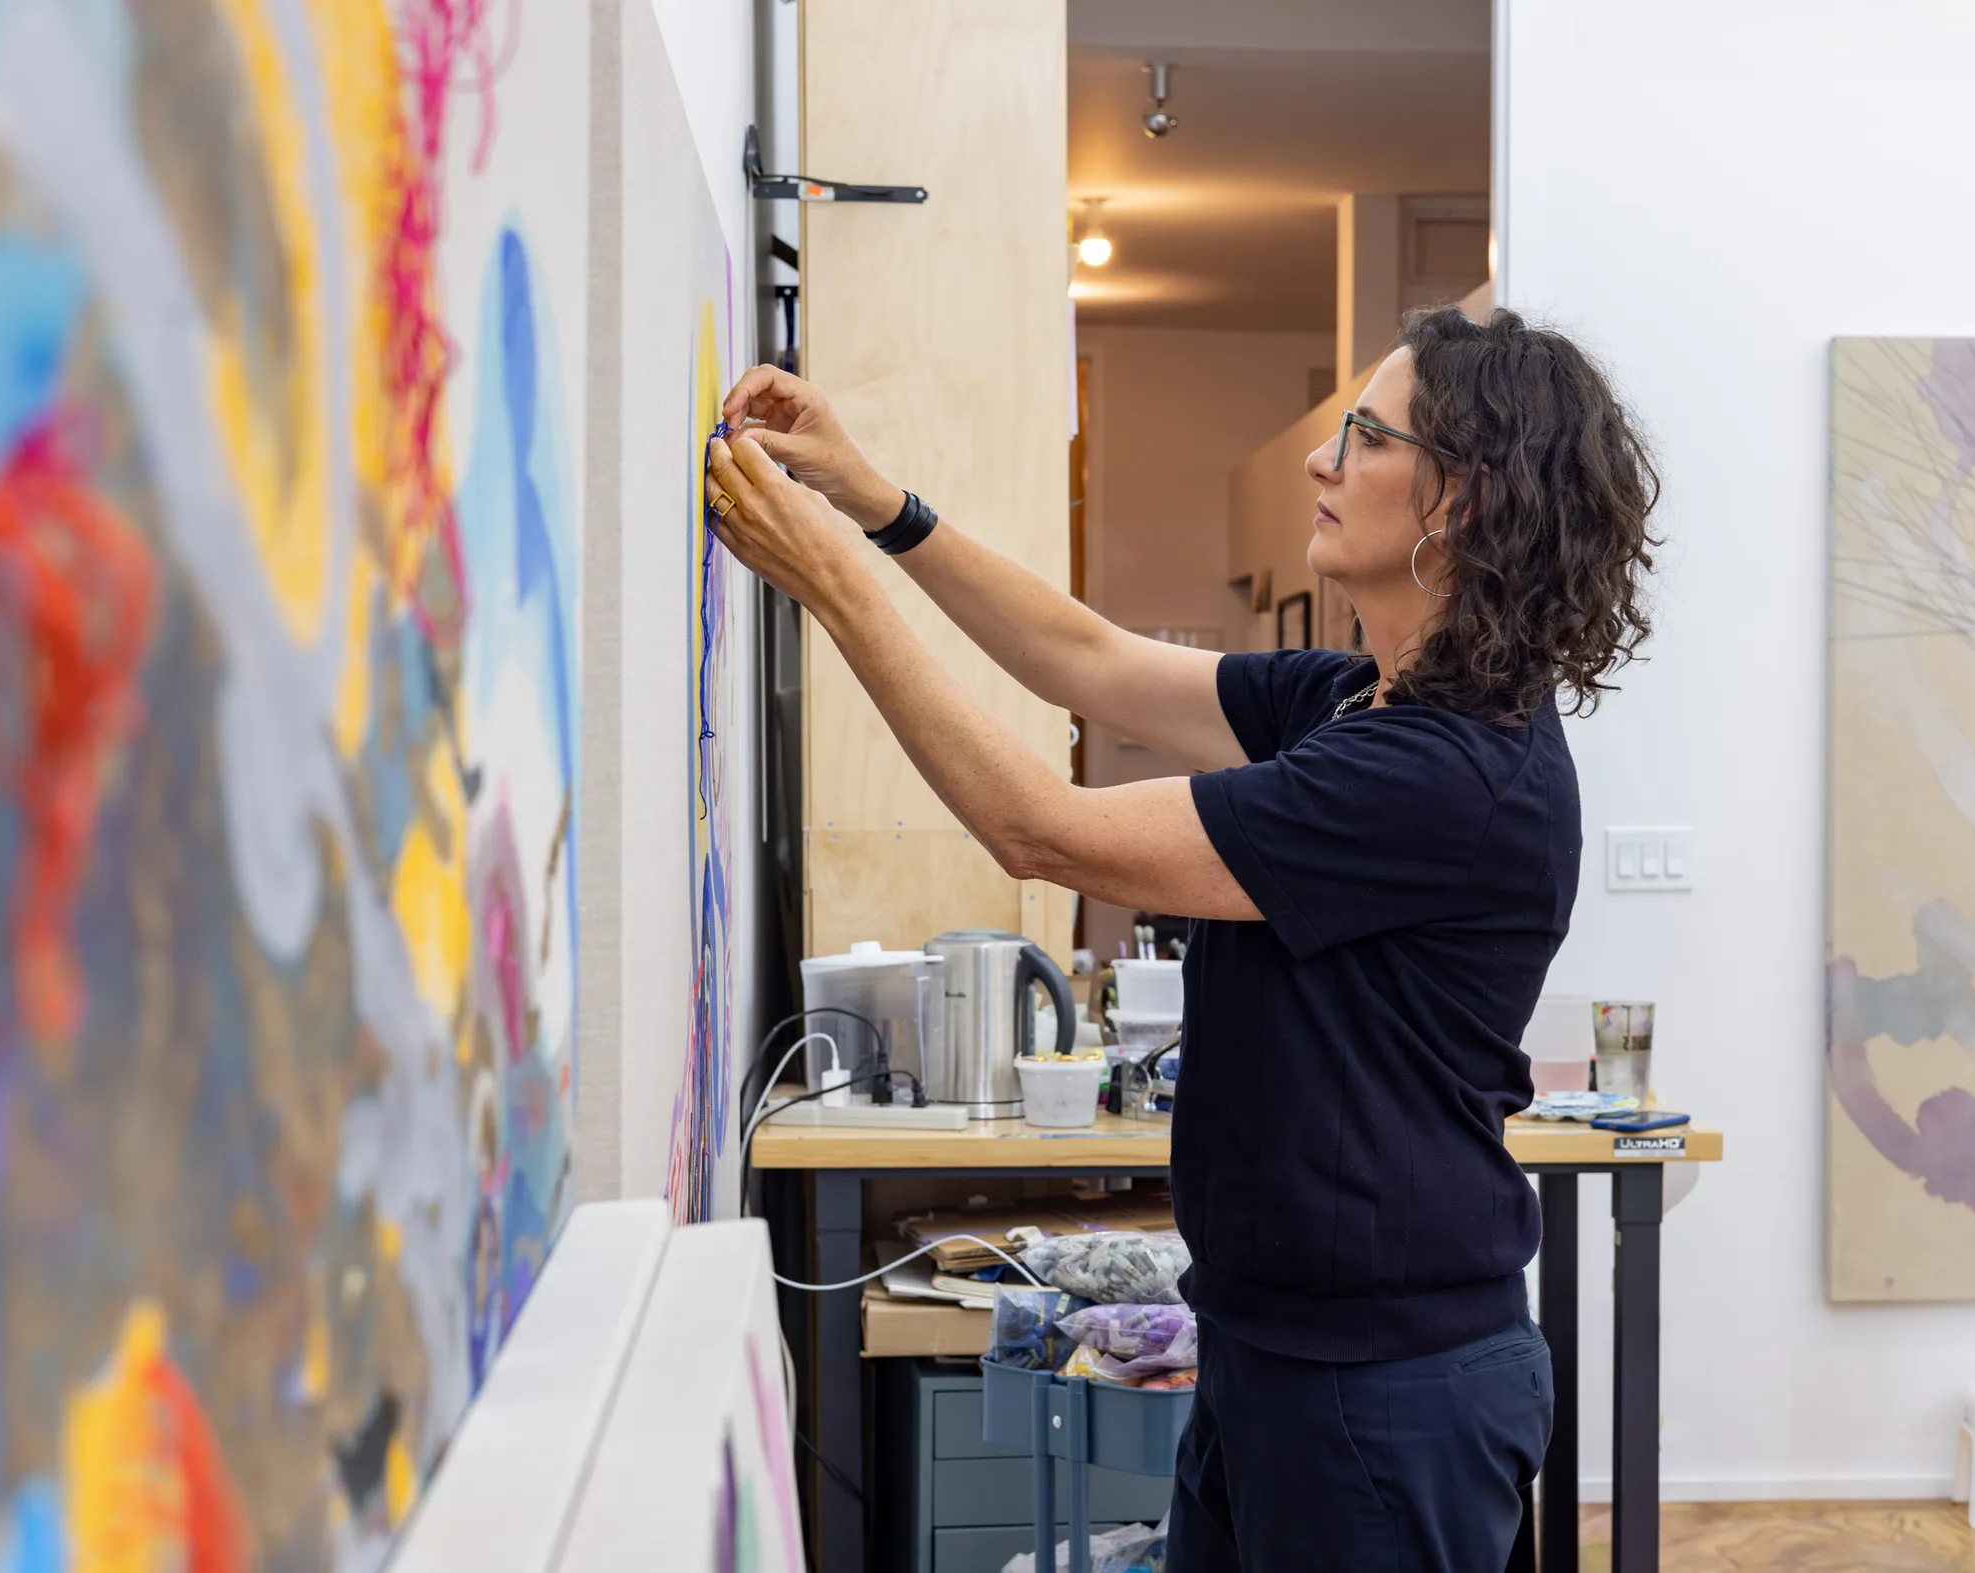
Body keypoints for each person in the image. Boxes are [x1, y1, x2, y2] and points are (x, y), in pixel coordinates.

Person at [706, 305, 1659, 1573]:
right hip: (1281, 1351)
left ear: (1463, 502)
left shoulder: (1439, 774)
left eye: (1364, 439)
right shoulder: (1348, 702)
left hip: (1379, 1388)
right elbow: (1085, 659)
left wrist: (831, 580)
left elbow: (1038, 828)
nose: (1321, 464)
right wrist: (877, 503)